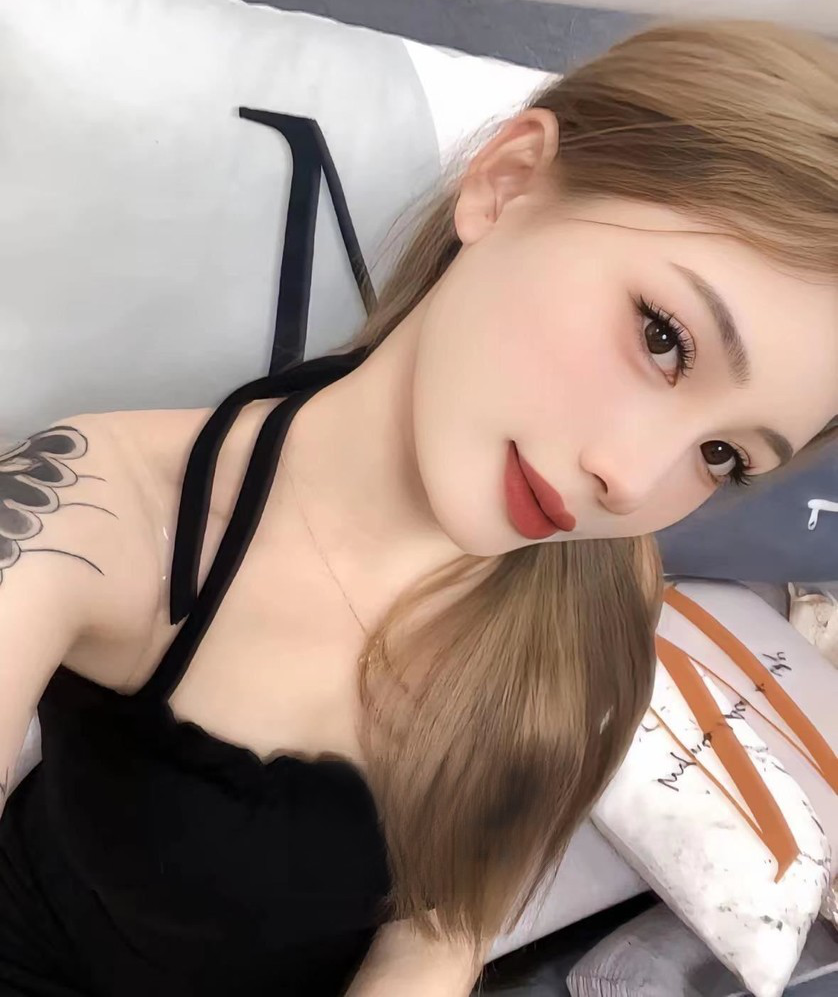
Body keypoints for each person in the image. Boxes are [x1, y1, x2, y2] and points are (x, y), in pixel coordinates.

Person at [1, 16, 836, 997]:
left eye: (722, 455)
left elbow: (444, 925)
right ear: (507, 183)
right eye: (663, 337)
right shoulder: (92, 511)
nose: (632, 480)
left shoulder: (600, 593)